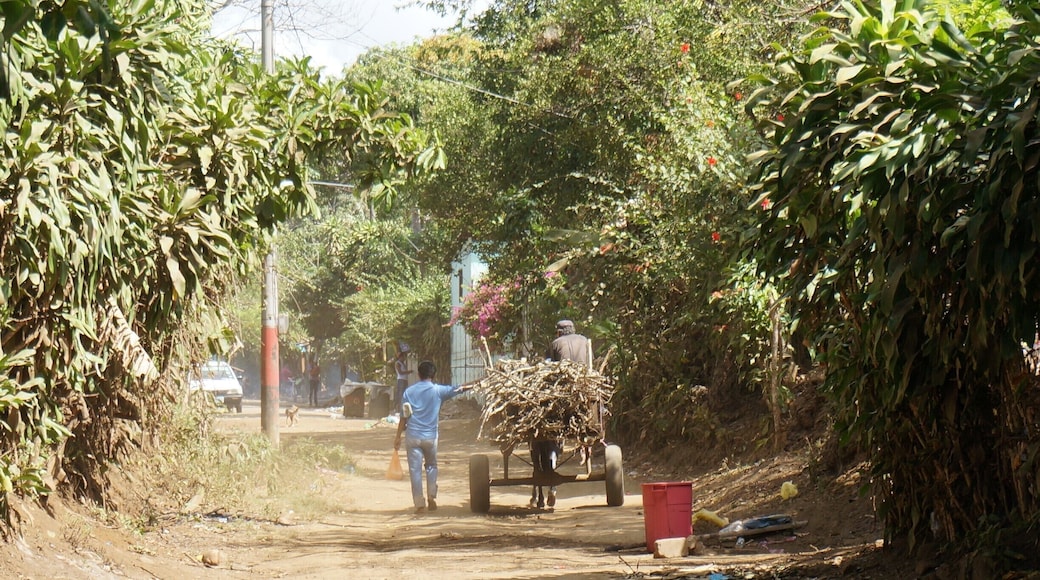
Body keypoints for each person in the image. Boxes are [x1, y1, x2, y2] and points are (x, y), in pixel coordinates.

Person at [530, 319, 593, 509]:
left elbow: (548, 366)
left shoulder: (556, 343)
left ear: (559, 333)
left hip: (562, 393)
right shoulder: (585, 341)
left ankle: (541, 488)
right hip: (585, 392)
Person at [393, 361, 470, 513]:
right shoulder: (438, 390)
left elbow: (404, 416)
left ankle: (419, 502)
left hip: (412, 436)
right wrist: (476, 384)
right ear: (433, 375)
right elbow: (459, 388)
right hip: (430, 437)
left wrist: (397, 437)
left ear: (419, 374)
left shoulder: (409, 392)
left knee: (415, 470)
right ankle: (431, 496)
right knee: (431, 466)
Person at [393, 347, 413, 414]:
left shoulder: (403, 363)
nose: (404, 358)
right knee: (400, 394)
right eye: (403, 357)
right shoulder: (398, 363)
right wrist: (408, 372)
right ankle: (398, 408)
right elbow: (400, 372)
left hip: (405, 380)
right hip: (401, 380)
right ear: (400, 357)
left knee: (404, 394)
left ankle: (402, 408)